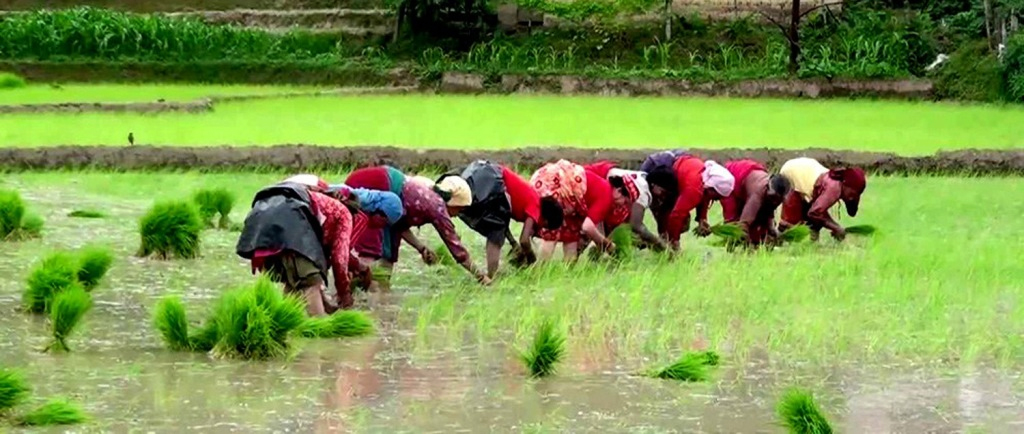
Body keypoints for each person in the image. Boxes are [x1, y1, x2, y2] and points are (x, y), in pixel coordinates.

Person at [236, 179, 354, 315]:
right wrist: (344, 293)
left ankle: (283, 326)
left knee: (293, 283)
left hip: (259, 225)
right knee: (311, 284)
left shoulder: (313, 199)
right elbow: (339, 259)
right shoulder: (343, 213)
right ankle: (320, 330)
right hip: (290, 223)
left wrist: (324, 299)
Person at [437, 160, 564, 278]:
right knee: (495, 230)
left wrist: (513, 244)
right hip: (494, 181)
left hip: (482, 171)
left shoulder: (529, 198)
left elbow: (503, 217)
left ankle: (439, 213)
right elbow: (524, 240)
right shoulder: (536, 205)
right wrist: (532, 262)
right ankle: (492, 276)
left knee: (458, 201)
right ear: (545, 220)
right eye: (544, 227)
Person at [385, 175, 492, 285]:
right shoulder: (438, 208)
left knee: (388, 253)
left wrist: (421, 248)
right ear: (454, 203)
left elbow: (399, 226)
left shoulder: (430, 190)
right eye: (460, 209)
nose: (457, 215)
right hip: (380, 207)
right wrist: (481, 276)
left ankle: (381, 289)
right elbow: (458, 250)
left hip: (386, 208)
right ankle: (379, 289)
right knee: (384, 253)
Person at [530, 159, 615, 261]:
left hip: (546, 180)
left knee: (571, 235)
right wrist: (606, 245)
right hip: (555, 188)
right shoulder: (607, 195)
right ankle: (540, 272)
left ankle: (567, 273)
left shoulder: (598, 183)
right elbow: (588, 227)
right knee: (551, 234)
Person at [645, 155, 735, 250]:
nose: (717, 200)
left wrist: (702, 218)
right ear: (712, 188)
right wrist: (675, 241)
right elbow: (676, 215)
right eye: (718, 197)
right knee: (670, 222)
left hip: (672, 171)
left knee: (681, 225)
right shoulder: (694, 189)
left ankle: (665, 247)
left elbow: (705, 196)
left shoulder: (705, 179)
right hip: (657, 171)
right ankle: (662, 248)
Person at [326, 184, 405, 291]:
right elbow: (341, 253)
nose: (382, 227)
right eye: (385, 222)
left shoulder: (350, 194)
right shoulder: (360, 217)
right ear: (379, 212)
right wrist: (362, 268)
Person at [580, 161, 666, 252]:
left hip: (585, 182)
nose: (623, 204)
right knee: (584, 235)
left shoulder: (619, 198)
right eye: (625, 201)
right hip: (578, 187)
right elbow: (589, 227)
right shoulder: (606, 195)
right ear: (619, 191)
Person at [777, 157, 868, 242]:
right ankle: (776, 240)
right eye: (852, 193)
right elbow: (815, 212)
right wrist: (836, 227)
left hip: (804, 169)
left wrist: (834, 226)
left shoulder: (839, 185)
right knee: (792, 219)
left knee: (816, 219)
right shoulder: (834, 188)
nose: (851, 197)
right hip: (792, 173)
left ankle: (811, 242)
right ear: (845, 184)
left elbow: (820, 211)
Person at [718, 159, 793, 245]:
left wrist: (771, 230)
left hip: (750, 176)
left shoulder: (774, 197)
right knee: (733, 224)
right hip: (733, 178)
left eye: (779, 200)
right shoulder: (758, 193)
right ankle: (732, 247)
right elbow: (743, 225)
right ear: (767, 188)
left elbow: (768, 212)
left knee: (760, 228)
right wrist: (749, 244)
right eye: (773, 198)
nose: (775, 202)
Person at [344, 165, 406, 266]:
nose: (381, 228)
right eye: (384, 223)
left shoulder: (360, 206)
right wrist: (360, 267)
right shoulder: (355, 211)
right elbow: (342, 249)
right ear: (380, 214)